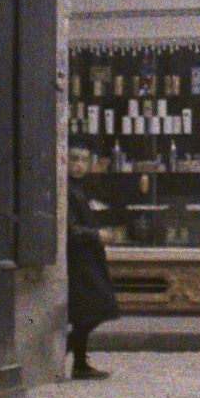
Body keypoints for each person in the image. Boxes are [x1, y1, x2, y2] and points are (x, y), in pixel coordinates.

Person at [67, 148, 120, 379]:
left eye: (84, 160)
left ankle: (79, 361)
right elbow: (70, 230)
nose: (78, 165)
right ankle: (71, 353)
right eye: (74, 159)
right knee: (95, 308)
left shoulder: (79, 188)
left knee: (89, 311)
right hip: (79, 260)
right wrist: (96, 235)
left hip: (89, 258)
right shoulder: (67, 190)